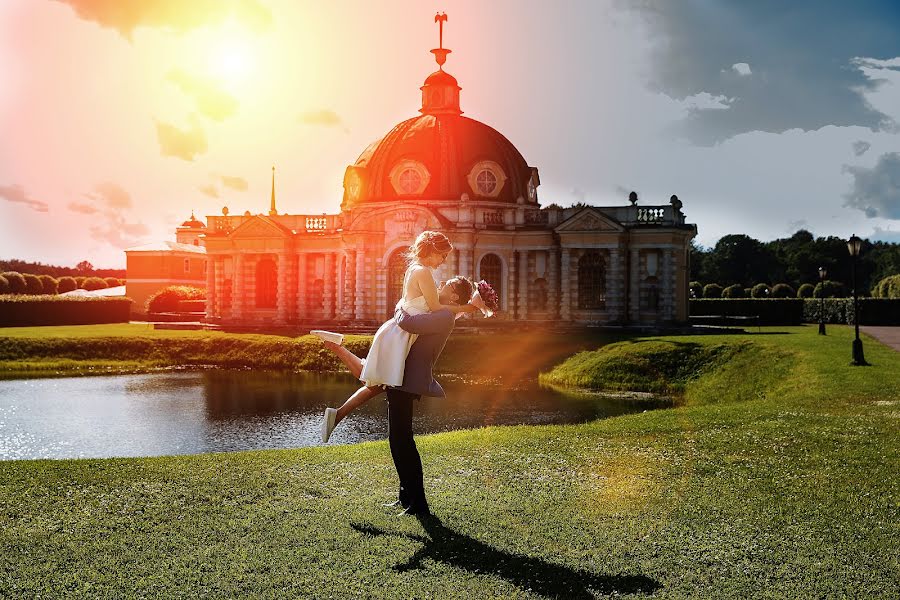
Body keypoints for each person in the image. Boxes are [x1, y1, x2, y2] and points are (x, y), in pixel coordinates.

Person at [312, 231, 476, 443]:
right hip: (402, 333)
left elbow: (431, 309)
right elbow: (435, 308)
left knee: (375, 380)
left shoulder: (414, 269)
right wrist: (467, 307)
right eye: (442, 255)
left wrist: (462, 309)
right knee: (370, 377)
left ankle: (337, 404)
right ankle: (337, 351)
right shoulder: (423, 272)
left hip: (399, 332)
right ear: (433, 250)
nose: (444, 260)